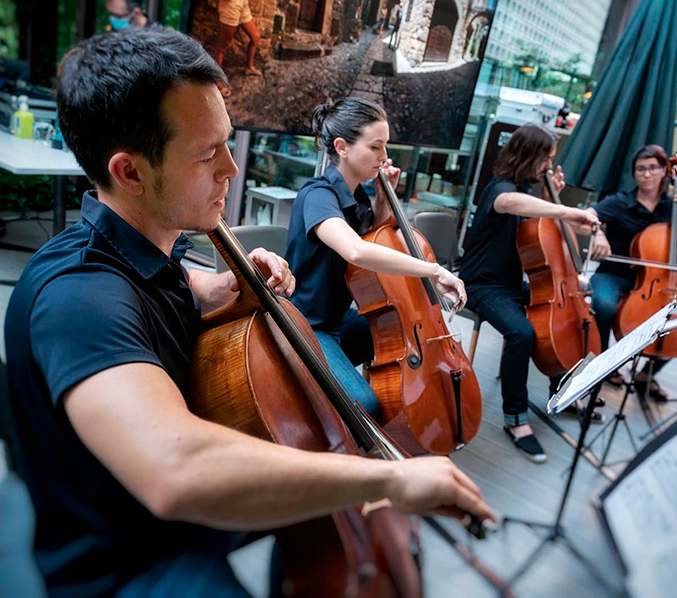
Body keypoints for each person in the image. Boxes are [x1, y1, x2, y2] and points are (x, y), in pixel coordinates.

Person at [4, 27, 493, 597]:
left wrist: (218, 289)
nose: (232, 170)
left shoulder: (151, 252)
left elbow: (170, 285)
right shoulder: (77, 297)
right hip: (132, 559)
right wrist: (389, 474)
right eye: (208, 153)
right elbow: (176, 469)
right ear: (130, 172)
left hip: (187, 525)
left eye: (227, 143)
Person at [285, 97, 467, 421]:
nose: (384, 157)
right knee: (364, 406)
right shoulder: (317, 195)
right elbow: (356, 251)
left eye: (385, 147)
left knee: (394, 333)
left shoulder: (357, 198)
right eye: (375, 147)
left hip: (336, 320)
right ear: (342, 147)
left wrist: (384, 202)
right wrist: (434, 270)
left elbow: (374, 248)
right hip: (305, 324)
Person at [459, 124, 601, 463]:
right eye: (546, 159)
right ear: (529, 156)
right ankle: (515, 419)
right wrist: (566, 210)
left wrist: (552, 199)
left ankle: (561, 388)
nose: (549, 167)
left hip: (509, 283)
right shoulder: (500, 189)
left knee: (559, 318)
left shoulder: (525, 190)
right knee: (522, 332)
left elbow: (534, 233)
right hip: (481, 285)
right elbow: (509, 203)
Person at [588, 144, 677, 400]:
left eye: (653, 168)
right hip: (614, 273)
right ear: (634, 174)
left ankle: (646, 373)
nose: (647, 174)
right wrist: (599, 234)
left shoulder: (671, 208)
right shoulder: (619, 202)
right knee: (603, 304)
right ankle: (606, 364)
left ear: (664, 171)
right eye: (641, 169)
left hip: (661, 284)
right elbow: (588, 215)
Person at [214, 0, 262, 97]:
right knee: (222, 47)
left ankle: (249, 67)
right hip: (230, 6)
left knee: (255, 37)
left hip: (243, 4)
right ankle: (215, 83)